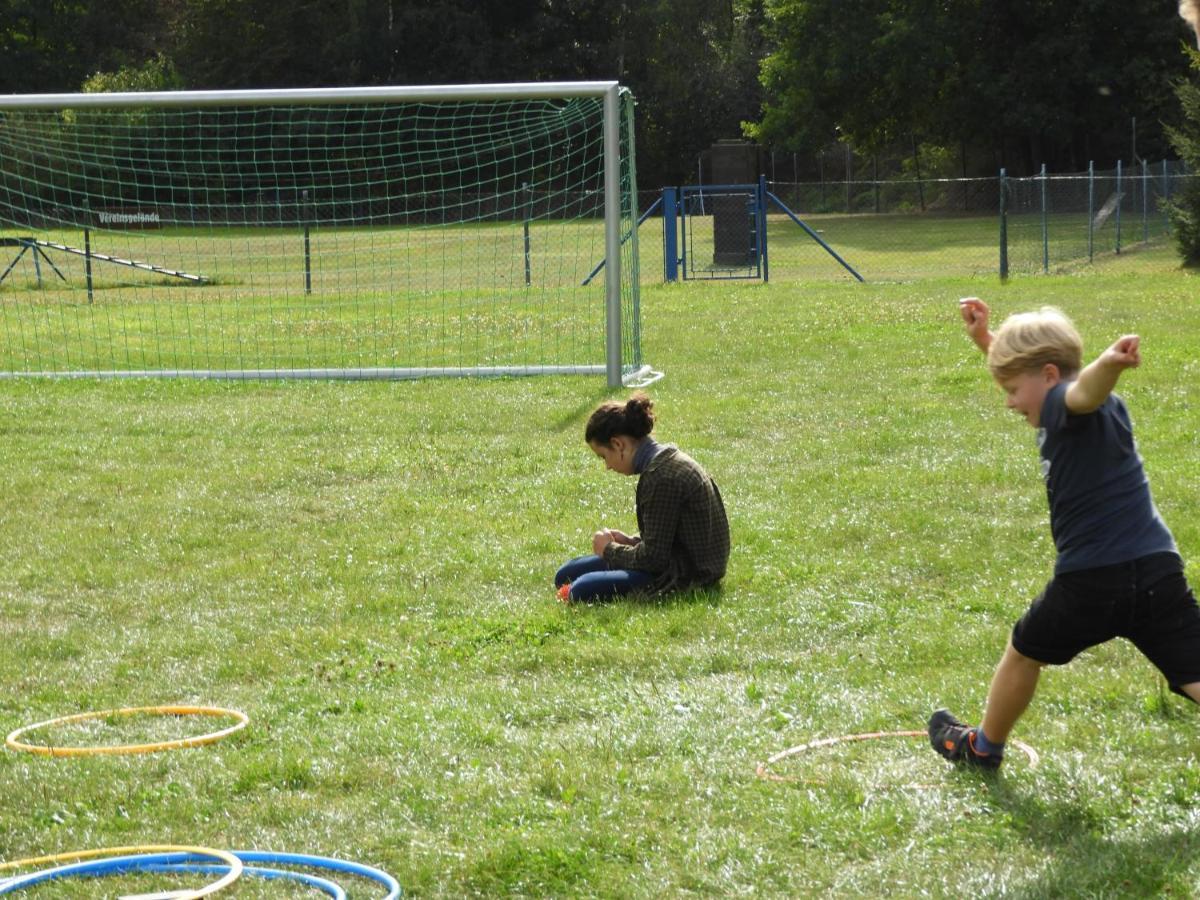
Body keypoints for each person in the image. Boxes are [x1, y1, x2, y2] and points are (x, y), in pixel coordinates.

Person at [928, 299, 1200, 770]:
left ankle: (982, 748)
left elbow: (1081, 393)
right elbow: (1056, 385)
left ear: (1051, 376)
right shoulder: (1083, 405)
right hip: (1156, 568)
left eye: (1012, 389)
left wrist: (1108, 364)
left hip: (1092, 580)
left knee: (1023, 652)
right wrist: (986, 343)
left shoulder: (1070, 400)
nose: (1009, 401)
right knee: (1193, 667)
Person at [554, 392, 730, 603]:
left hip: (686, 574)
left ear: (618, 445)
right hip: (680, 560)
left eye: (604, 456)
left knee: (580, 589)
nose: (607, 466)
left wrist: (610, 551)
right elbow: (670, 534)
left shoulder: (661, 476)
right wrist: (631, 541)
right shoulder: (664, 462)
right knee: (565, 574)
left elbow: (653, 560)